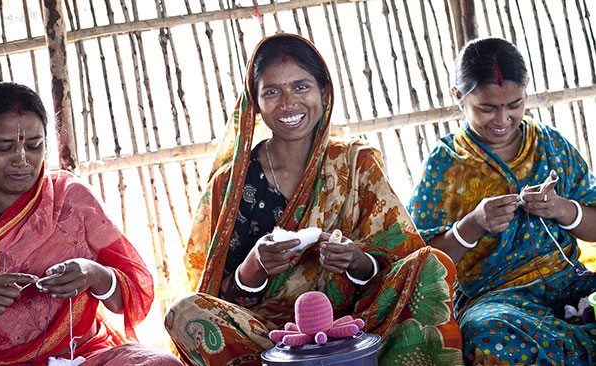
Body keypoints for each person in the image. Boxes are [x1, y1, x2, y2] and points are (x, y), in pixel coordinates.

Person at [164, 33, 464, 366]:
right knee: (183, 311)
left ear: (324, 92)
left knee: (429, 263)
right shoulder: (230, 186)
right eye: (272, 92)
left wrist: (356, 261)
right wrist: (255, 266)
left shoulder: (356, 164)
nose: (288, 103)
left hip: (357, 323)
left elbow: (398, 258)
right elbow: (214, 294)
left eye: (301, 87)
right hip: (269, 336)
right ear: (255, 102)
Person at [0, 83, 182, 365]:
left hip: (82, 354)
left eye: (34, 145)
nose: (22, 159)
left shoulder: (73, 199)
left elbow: (134, 292)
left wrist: (94, 274)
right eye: (4, 147)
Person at [407, 37, 596, 365]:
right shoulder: (445, 163)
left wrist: (562, 209)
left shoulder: (551, 145)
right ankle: (581, 337)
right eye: (487, 108)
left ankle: (570, 335)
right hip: (497, 301)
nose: (502, 119)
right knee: (487, 336)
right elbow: (423, 263)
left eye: (514, 105)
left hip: (570, 284)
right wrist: (474, 224)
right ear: (458, 98)